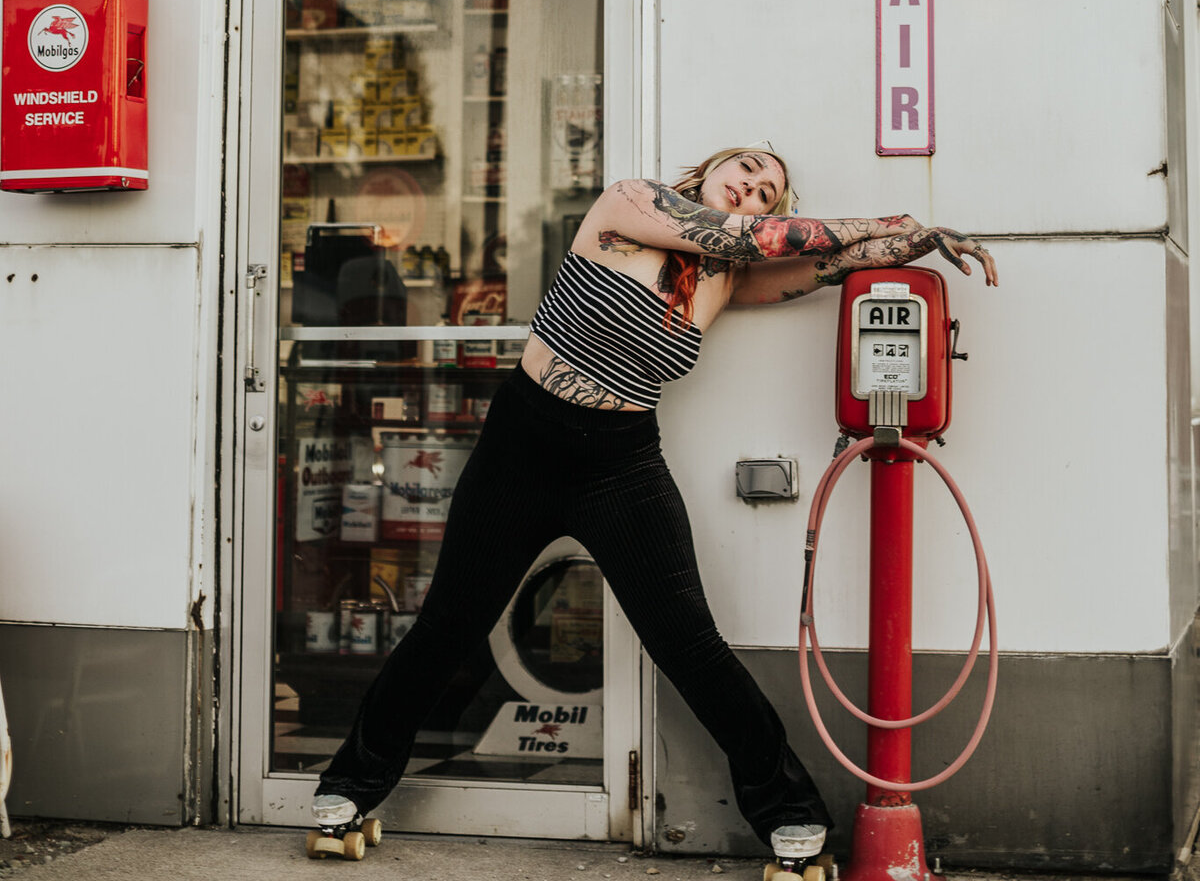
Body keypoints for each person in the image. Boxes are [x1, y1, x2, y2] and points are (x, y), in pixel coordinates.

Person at [311, 143, 997, 856]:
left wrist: (924, 237)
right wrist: (891, 215)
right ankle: (349, 789)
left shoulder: (726, 278)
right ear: (707, 173)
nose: (753, 190)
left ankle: (789, 812)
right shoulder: (632, 205)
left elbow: (826, 264)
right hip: (521, 447)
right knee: (449, 626)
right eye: (747, 172)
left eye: (768, 192)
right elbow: (765, 239)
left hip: (619, 464)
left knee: (690, 645)